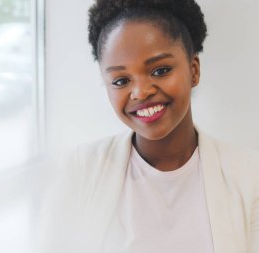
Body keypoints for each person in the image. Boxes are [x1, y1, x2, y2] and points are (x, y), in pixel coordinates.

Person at [36, 0, 259, 252]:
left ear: (194, 70)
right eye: (121, 80)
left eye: (160, 70)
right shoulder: (79, 169)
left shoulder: (250, 177)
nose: (140, 92)